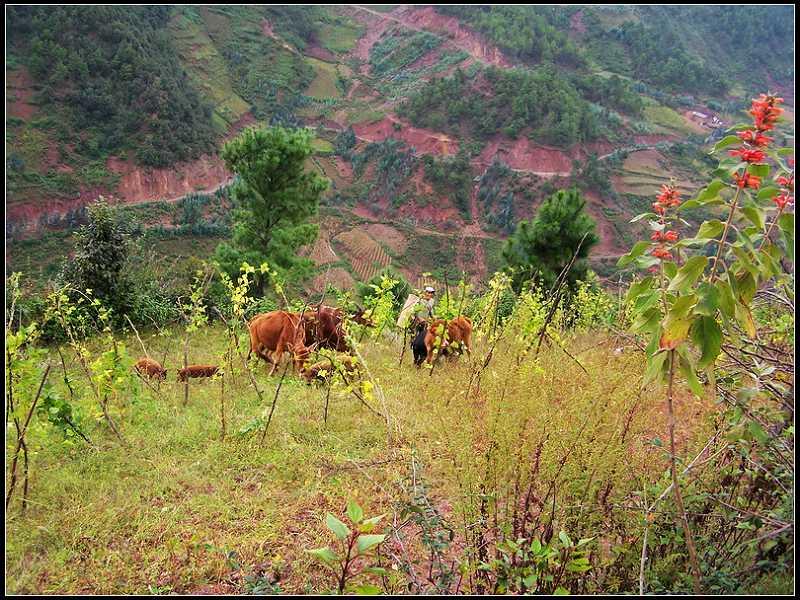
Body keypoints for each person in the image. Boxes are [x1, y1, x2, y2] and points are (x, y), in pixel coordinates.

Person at [410, 286, 436, 364]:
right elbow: (414, 311)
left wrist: (434, 319)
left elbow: (431, 311)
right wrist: (419, 318)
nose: (429, 294)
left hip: (425, 324)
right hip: (417, 323)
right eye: (427, 292)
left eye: (431, 293)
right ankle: (415, 358)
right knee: (415, 341)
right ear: (425, 292)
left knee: (424, 340)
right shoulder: (419, 300)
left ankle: (421, 358)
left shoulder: (431, 301)